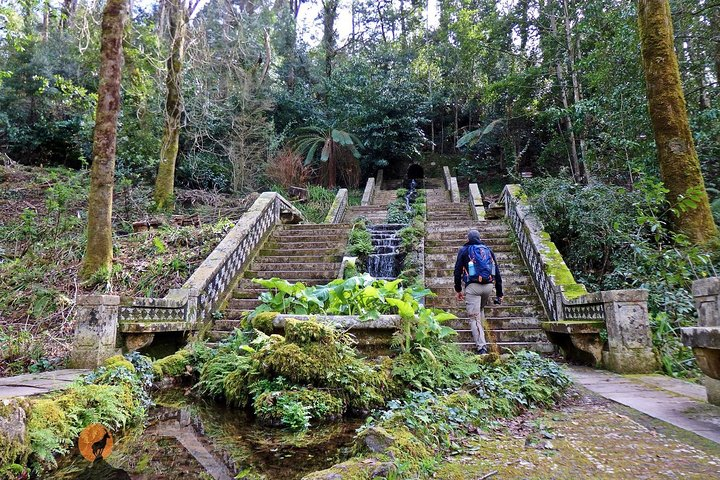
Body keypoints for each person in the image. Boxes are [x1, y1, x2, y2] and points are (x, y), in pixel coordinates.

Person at [454, 229, 504, 354]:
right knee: (480, 310)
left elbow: (457, 270)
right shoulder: (488, 250)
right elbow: (496, 272)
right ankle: (482, 335)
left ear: (468, 239)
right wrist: (499, 293)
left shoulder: (464, 250)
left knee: (474, 318)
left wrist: (458, 289)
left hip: (473, 288)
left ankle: (482, 347)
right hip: (488, 286)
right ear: (479, 238)